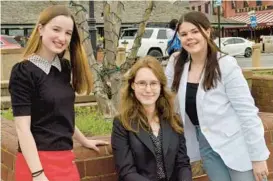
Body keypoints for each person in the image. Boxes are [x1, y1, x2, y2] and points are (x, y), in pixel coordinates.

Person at [165, 11, 270, 181]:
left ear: (207, 31)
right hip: (205, 144)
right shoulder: (177, 63)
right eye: (184, 34)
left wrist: (258, 157)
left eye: (195, 31)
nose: (189, 37)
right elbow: (161, 95)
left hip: (237, 144)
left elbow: (246, 111)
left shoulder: (225, 64)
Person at [9, 5, 108, 181]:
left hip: (65, 159)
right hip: (35, 162)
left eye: (68, 33)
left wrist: (84, 140)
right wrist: (38, 174)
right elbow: (22, 128)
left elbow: (61, 115)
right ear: (40, 29)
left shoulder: (64, 68)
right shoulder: (23, 71)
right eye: (56, 29)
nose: (62, 38)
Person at [111, 56, 192, 181]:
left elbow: (183, 164)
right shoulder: (122, 123)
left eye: (153, 83)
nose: (148, 89)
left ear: (161, 86)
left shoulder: (174, 120)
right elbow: (126, 172)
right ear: (133, 85)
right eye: (142, 83)